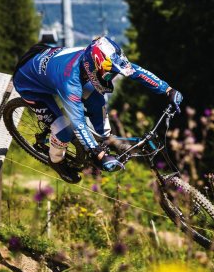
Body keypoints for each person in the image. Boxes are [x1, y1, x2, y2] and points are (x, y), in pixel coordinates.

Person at [12, 36, 183, 184]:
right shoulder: (69, 83)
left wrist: (167, 90)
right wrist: (98, 155)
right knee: (64, 128)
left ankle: (106, 138)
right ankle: (56, 161)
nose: (111, 78)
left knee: (96, 99)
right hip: (29, 84)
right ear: (92, 68)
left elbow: (134, 71)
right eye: (109, 75)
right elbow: (78, 124)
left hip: (46, 61)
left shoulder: (94, 60)